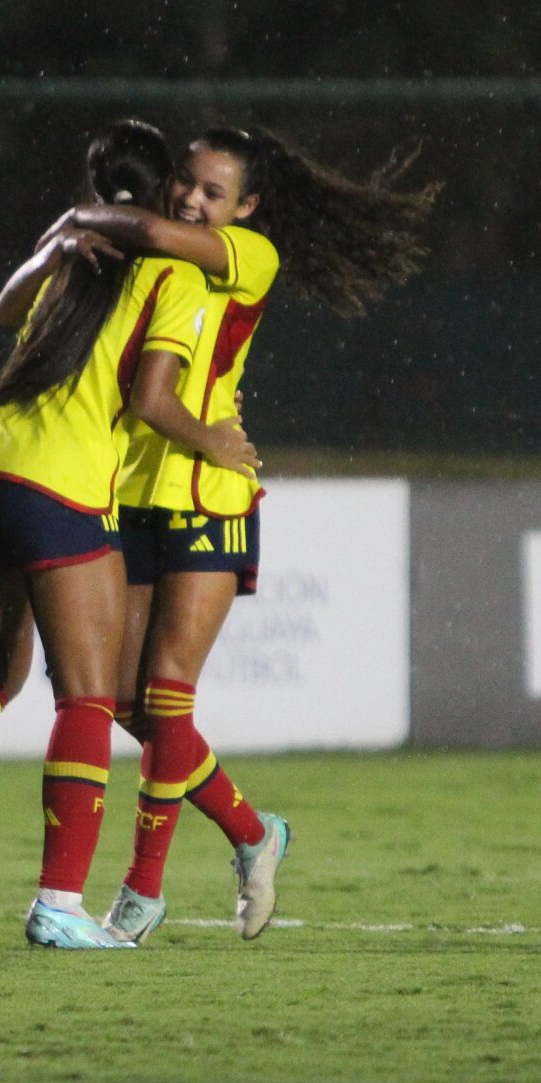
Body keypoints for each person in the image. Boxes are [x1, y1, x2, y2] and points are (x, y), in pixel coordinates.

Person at [0, 122, 258, 949]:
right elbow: (149, 398)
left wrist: (64, 234)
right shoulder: (173, 273)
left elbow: (1, 308)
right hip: (58, 481)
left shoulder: (69, 245)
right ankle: (60, 901)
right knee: (91, 697)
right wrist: (218, 439)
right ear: (166, 191)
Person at [68, 126, 438, 943]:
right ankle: (251, 832)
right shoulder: (157, 260)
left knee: (166, 696)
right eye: (187, 183)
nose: (193, 200)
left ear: (247, 208)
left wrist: (85, 215)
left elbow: (160, 234)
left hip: (210, 495)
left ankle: (142, 890)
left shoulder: (246, 255)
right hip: (133, 493)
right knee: (128, 701)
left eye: (213, 192)